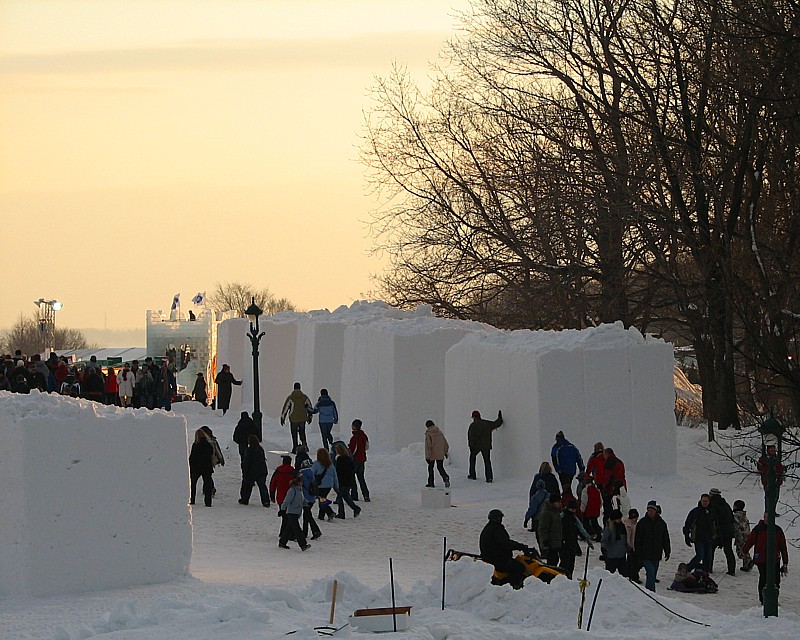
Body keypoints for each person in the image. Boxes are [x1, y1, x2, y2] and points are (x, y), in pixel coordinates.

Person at [742, 512, 789, 604]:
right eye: (765, 517)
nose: (766, 519)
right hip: (761, 559)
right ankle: (763, 599)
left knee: (775, 580)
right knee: (764, 578)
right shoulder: (758, 529)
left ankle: (773, 598)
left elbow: (783, 546)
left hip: (774, 559)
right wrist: (744, 551)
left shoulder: (777, 530)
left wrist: (785, 561)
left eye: (768, 517)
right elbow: (750, 541)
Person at [479, 509, 528, 589]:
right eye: (499, 518)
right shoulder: (496, 530)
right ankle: (514, 586)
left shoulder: (489, 528)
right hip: (498, 559)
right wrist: (521, 547)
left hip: (491, 557)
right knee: (520, 567)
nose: (500, 520)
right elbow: (506, 543)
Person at [634, 500, 671, 592]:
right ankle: (651, 593)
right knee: (650, 573)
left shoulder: (661, 523)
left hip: (656, 553)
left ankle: (649, 592)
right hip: (645, 554)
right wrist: (638, 553)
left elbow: (665, 538)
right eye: (648, 510)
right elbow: (637, 540)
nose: (650, 512)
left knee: (652, 574)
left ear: (655, 511)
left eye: (652, 510)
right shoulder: (642, 523)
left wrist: (667, 550)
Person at [683, 494, 719, 574]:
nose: (704, 503)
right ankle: (688, 568)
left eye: (706, 501)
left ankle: (705, 572)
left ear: (709, 502)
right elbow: (688, 524)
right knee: (700, 555)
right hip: (698, 538)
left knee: (708, 557)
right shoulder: (695, 511)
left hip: (709, 538)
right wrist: (686, 536)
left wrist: (717, 536)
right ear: (701, 501)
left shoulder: (711, 511)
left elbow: (715, 525)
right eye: (703, 501)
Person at [467, 409, 503, 482]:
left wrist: (471, 447)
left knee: (472, 459)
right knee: (487, 461)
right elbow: (497, 423)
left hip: (476, 447)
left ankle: (472, 475)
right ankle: (489, 478)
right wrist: (500, 417)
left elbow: (471, 438)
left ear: (474, 417)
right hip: (486, 446)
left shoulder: (473, 426)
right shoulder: (487, 424)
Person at [561, 499, 593, 578]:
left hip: (572, 543)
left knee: (571, 563)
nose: (574, 510)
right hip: (564, 543)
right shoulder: (562, 516)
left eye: (575, 509)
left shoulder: (574, 518)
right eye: (572, 509)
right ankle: (562, 578)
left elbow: (580, 528)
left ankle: (569, 577)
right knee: (565, 563)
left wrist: (587, 538)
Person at [708, 487, 736, 575]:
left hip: (718, 531)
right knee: (728, 550)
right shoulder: (725, 504)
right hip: (728, 531)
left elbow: (712, 519)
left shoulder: (713, 505)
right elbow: (731, 517)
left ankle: (709, 568)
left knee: (710, 549)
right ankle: (732, 569)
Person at [278, 475, 311, 551]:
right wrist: (282, 509)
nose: (302, 483)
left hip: (297, 512)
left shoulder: (300, 490)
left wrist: (307, 504)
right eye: (301, 481)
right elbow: (287, 501)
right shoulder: (292, 490)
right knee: (297, 529)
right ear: (298, 482)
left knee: (289, 529)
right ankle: (303, 544)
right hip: (291, 513)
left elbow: (302, 500)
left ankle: (282, 542)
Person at [238, 435, 271, 507]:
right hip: (262, 470)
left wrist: (245, 471)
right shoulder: (260, 449)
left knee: (248, 486)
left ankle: (245, 499)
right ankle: (266, 501)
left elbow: (247, 461)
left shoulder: (249, 450)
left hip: (252, 471)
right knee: (262, 486)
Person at [281, 382, 313, 453]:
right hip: (302, 418)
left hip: (293, 418)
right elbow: (310, 407)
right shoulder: (305, 397)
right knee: (302, 432)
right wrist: (310, 417)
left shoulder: (290, 398)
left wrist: (283, 417)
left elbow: (286, 408)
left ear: (294, 388)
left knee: (294, 433)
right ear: (300, 388)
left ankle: (295, 447)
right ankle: (304, 445)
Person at [333, 443, 361, 518]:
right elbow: (352, 468)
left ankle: (341, 513)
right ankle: (355, 508)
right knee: (346, 496)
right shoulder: (348, 458)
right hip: (349, 480)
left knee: (340, 497)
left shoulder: (339, 459)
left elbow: (338, 471)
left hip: (342, 480)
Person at [311, 447, 339, 521]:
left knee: (321, 499)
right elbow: (335, 475)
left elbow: (312, 474)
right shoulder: (330, 464)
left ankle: (330, 512)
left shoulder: (316, 464)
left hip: (320, 485)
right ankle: (321, 515)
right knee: (322, 498)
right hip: (329, 485)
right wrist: (336, 486)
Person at [298, 459, 323, 540]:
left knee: (308, 515)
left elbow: (302, 486)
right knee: (307, 515)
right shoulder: (311, 474)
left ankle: (315, 531)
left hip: (305, 498)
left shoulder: (302, 475)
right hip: (311, 498)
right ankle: (305, 532)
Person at [189, 428, 214, 507]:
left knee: (193, 484)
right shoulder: (208, 445)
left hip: (197, 467)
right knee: (207, 485)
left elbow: (192, 457)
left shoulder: (196, 445)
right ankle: (208, 502)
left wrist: (190, 466)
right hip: (207, 467)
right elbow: (211, 454)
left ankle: (192, 499)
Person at [601, 509, 628, 576]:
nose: (619, 520)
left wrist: (627, 548)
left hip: (621, 555)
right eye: (617, 519)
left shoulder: (623, 527)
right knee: (609, 576)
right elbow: (604, 540)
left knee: (625, 576)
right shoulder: (609, 528)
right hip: (611, 556)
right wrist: (604, 549)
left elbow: (625, 540)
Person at [349, 419, 371, 501]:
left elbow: (353, 450)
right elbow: (367, 446)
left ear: (354, 426)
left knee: (352, 478)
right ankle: (366, 495)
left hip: (355, 460)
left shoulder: (355, 438)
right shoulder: (363, 435)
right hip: (362, 459)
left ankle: (354, 495)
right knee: (361, 478)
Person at [538, 494, 563, 566]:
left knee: (555, 559)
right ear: (553, 502)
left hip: (556, 541)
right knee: (553, 560)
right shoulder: (547, 513)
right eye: (558, 502)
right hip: (550, 542)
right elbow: (542, 528)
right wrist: (545, 541)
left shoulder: (556, 512)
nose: (560, 503)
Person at [424, 420, 450, 488]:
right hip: (440, 454)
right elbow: (445, 443)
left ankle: (431, 483)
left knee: (430, 468)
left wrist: (427, 456)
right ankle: (445, 477)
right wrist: (445, 452)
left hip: (432, 454)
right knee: (440, 467)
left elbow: (428, 446)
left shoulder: (428, 433)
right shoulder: (439, 432)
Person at [732, 500, 754, 571]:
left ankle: (749, 561)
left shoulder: (736, 516)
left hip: (740, 536)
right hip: (747, 534)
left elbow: (735, 527)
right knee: (745, 549)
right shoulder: (744, 515)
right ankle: (746, 566)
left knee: (741, 551)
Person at [579, 476, 603, 541]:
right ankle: (599, 535)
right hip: (596, 509)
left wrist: (582, 509)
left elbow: (584, 501)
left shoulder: (585, 490)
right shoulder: (597, 490)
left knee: (585, 523)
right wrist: (599, 507)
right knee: (595, 523)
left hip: (588, 510)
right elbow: (601, 501)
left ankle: (591, 534)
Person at [623, 509, 641, 583]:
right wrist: (629, 547)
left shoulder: (635, 524)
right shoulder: (628, 526)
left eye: (636, 518)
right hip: (630, 547)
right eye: (633, 518)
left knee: (634, 563)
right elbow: (628, 538)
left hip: (634, 547)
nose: (635, 519)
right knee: (631, 563)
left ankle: (633, 575)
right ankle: (632, 576)